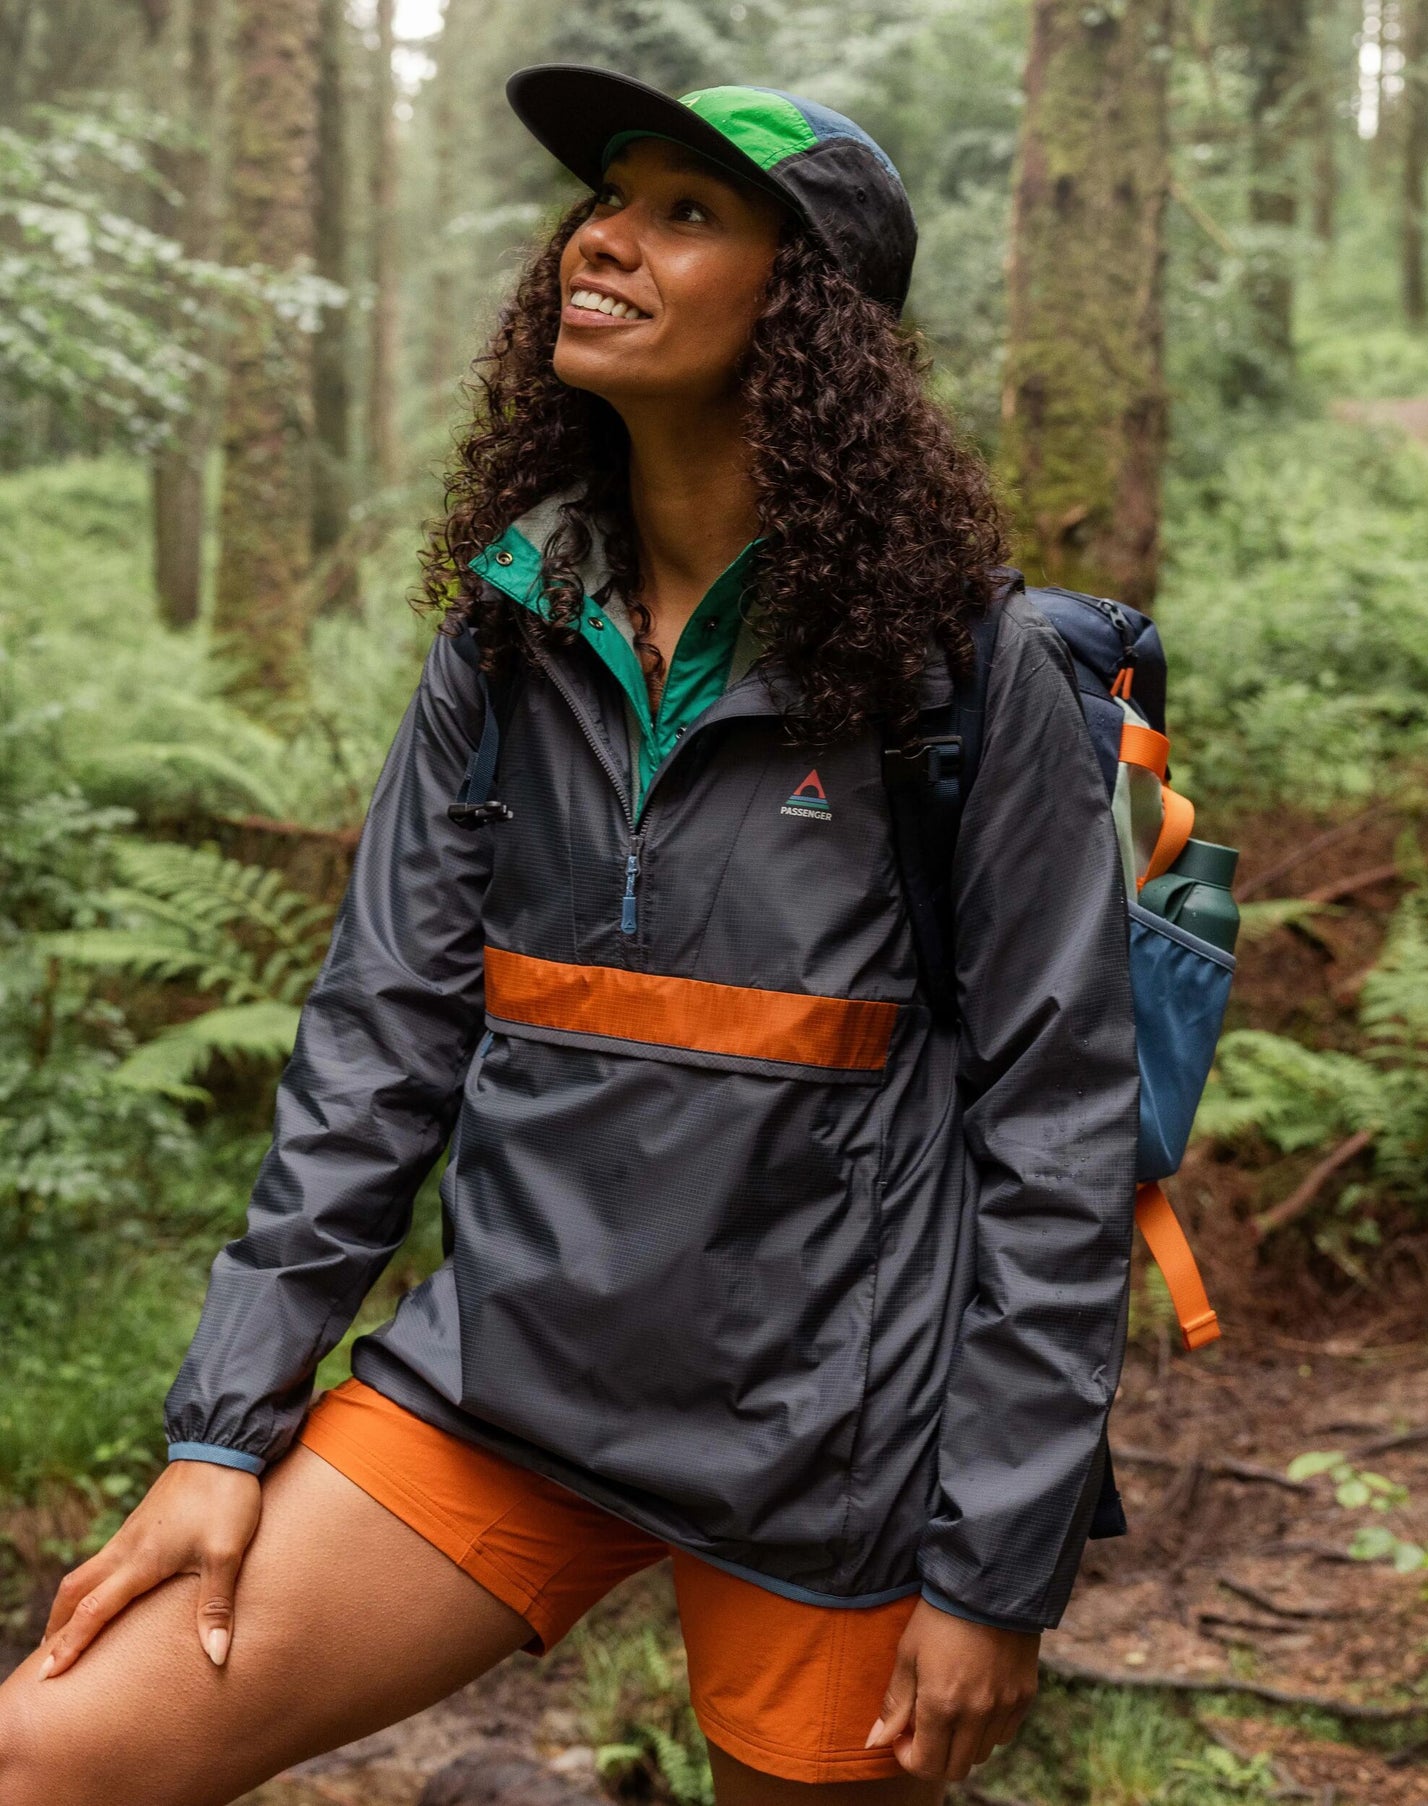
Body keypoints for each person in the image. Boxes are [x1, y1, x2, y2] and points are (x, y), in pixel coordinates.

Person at [0, 65, 1138, 1806]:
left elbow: (1058, 1136)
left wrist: (995, 1559)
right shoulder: (509, 632)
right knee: (50, 1749)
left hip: (827, 1460)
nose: (602, 238)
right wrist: (224, 1428)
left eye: (685, 212)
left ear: (808, 312)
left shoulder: (962, 676)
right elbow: (378, 1040)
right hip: (501, 1392)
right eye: (606, 200)